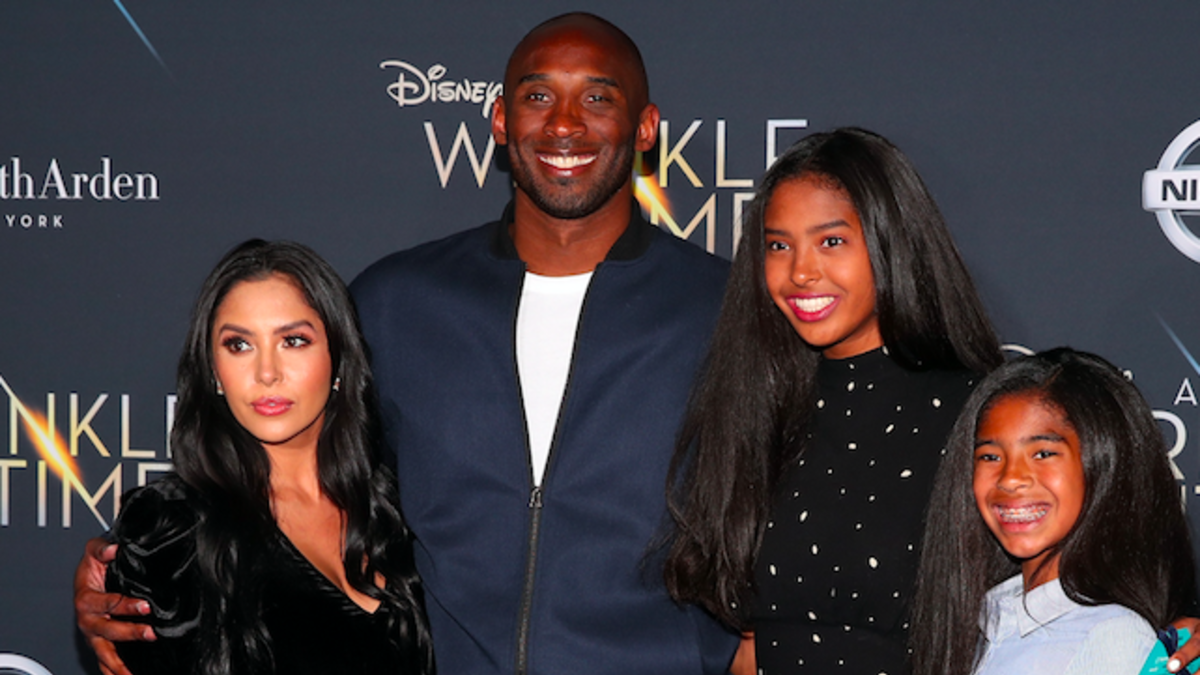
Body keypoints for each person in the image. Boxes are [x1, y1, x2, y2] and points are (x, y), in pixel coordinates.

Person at [76, 12, 738, 675]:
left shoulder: (724, 310)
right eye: (538, 95)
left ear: (646, 127)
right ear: (500, 120)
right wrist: (139, 561)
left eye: (596, 97)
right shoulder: (396, 302)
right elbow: (291, 467)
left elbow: (781, 510)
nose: (563, 124)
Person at [663, 127, 1004, 675]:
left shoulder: (977, 412)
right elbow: (748, 645)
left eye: (831, 242)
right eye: (779, 246)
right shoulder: (756, 407)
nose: (801, 272)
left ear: (891, 241)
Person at [100, 239, 433, 675]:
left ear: (338, 361)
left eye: (293, 341)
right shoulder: (169, 533)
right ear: (213, 372)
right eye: (239, 345)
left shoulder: (403, 512)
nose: (267, 373)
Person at [910, 348, 1197, 675]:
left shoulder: (1111, 637)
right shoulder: (975, 625)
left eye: (1043, 453)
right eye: (990, 456)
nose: (1011, 478)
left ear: (1105, 464)